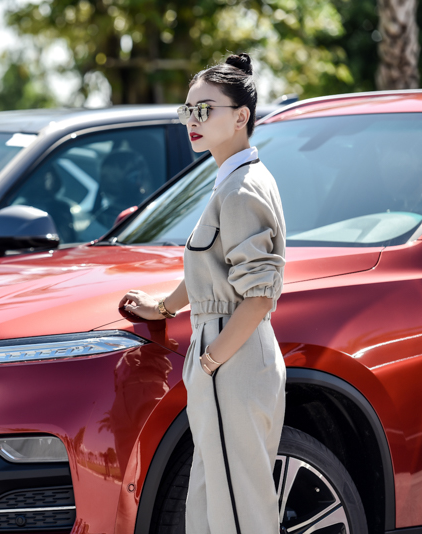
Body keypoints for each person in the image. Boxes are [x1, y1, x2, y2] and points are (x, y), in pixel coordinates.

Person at [118, 53, 286, 534]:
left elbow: (259, 295)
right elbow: (211, 270)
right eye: (187, 110)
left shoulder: (241, 189)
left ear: (240, 117)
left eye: (204, 109)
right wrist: (164, 307)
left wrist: (211, 360)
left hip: (230, 354)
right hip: (228, 351)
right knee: (213, 503)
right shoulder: (232, 181)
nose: (192, 120)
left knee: (237, 513)